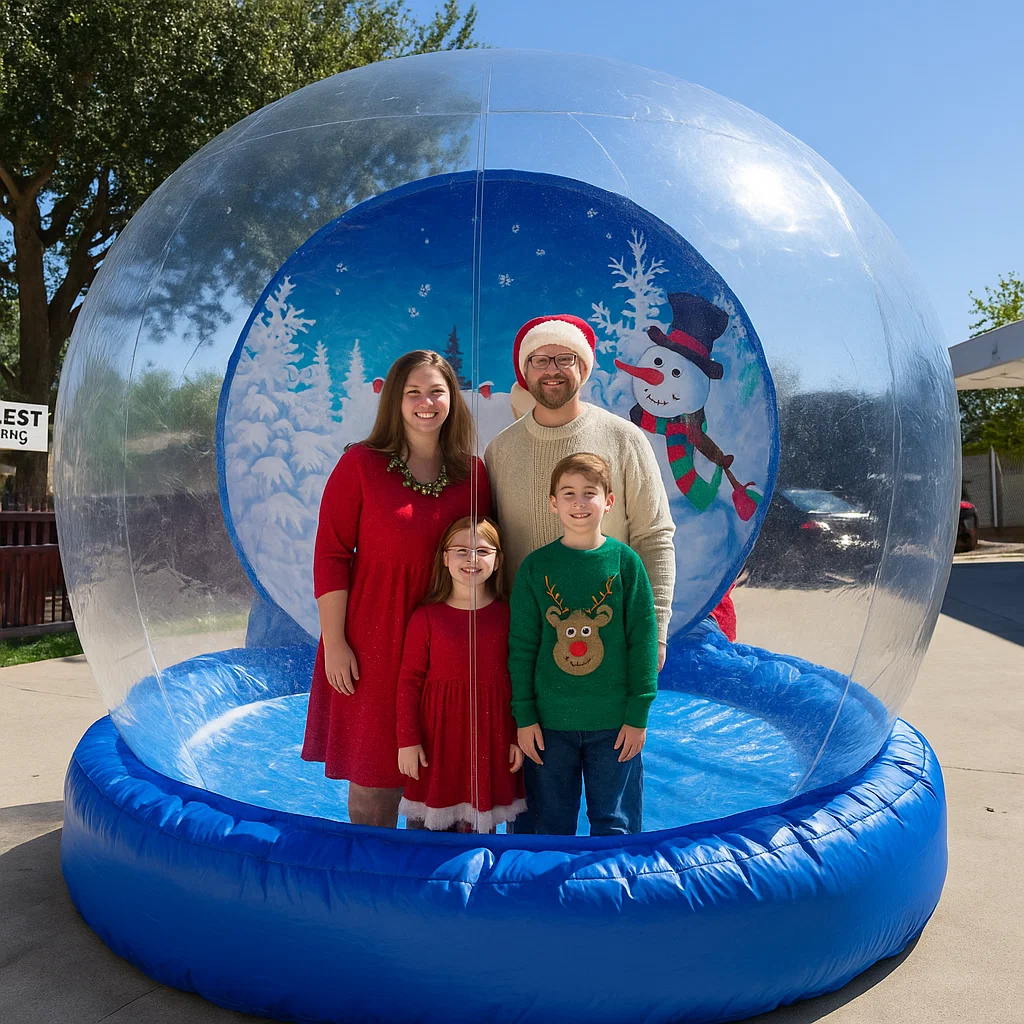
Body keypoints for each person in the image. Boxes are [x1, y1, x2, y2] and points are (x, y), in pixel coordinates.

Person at [301, 350, 490, 828]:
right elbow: (331, 556)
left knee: (446, 786)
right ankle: (370, 896)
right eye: (413, 393)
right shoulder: (361, 465)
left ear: (453, 400)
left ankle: (433, 899)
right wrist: (336, 643)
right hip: (374, 642)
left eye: (436, 391)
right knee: (374, 788)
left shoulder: (473, 475)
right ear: (395, 402)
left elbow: (485, 559)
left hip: (447, 648)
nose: (426, 402)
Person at [485, 314, 676, 669]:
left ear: (583, 368)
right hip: (529, 645)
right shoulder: (500, 451)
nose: (552, 370)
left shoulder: (625, 440)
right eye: (539, 360)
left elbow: (654, 536)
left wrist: (655, 629)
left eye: (565, 359)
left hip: (610, 637)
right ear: (525, 372)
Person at [508, 453, 659, 836]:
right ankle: (540, 894)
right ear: (553, 503)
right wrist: (524, 717)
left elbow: (642, 639)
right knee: (544, 827)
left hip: (614, 728)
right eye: (569, 493)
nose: (579, 502)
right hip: (548, 727)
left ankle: (614, 896)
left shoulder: (626, 565)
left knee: (615, 826)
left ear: (608, 501)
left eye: (589, 493)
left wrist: (637, 713)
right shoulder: (536, 568)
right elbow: (522, 646)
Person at [396, 517, 526, 832]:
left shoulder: (508, 617)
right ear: (444, 558)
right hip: (437, 740)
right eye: (461, 550)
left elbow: (519, 680)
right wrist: (408, 741)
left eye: (482, 550)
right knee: (428, 833)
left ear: (497, 561)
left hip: (490, 739)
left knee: (480, 829)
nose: (471, 559)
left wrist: (515, 736)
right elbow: (408, 683)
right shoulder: (426, 617)